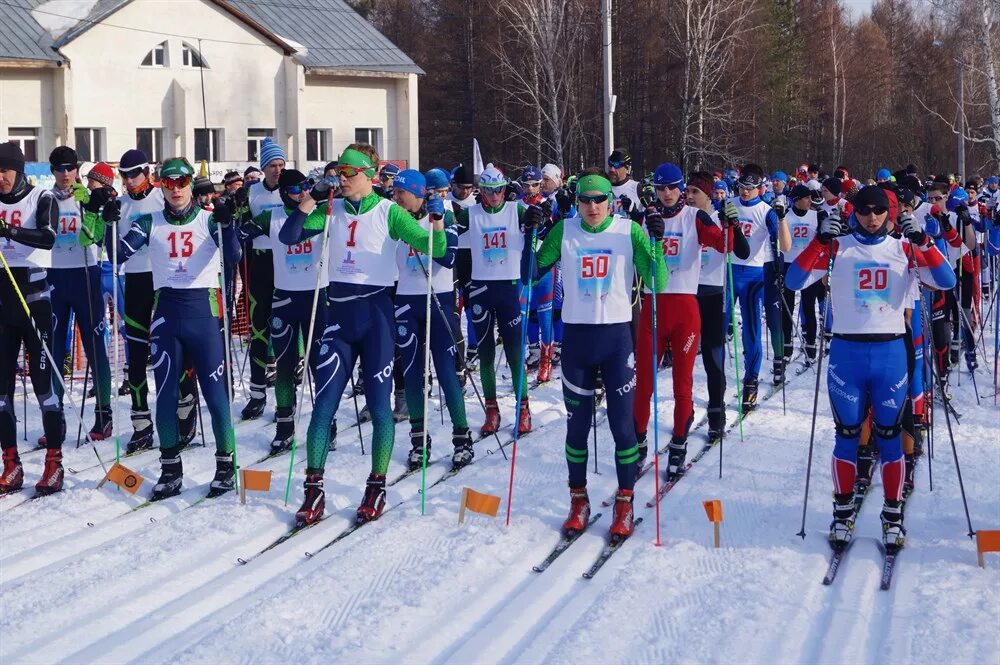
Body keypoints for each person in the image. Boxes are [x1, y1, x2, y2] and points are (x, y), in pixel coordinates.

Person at [279, 145, 446, 527]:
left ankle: (376, 485)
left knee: (380, 405)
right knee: (323, 406)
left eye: (349, 171)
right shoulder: (330, 210)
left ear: (369, 175)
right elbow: (289, 237)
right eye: (339, 170)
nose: (342, 177)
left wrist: (437, 222)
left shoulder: (389, 213)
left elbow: (434, 249)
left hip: (377, 319)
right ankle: (313, 488)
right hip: (338, 317)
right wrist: (308, 200)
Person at [786, 185, 955, 552]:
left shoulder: (904, 248)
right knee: (847, 434)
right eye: (865, 210)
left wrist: (924, 241)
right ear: (854, 212)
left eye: (880, 210)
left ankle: (892, 515)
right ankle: (842, 512)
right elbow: (793, 281)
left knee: (890, 436)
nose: (872, 217)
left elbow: (947, 281)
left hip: (890, 353)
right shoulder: (837, 246)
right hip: (847, 353)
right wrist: (818, 241)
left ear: (889, 213)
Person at [83, 157, 241, 499]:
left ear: (190, 183)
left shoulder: (209, 219)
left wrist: (228, 226)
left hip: (202, 315)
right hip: (167, 315)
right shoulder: (147, 221)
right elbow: (116, 254)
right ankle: (170, 467)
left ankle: (226, 464)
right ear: (161, 185)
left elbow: (234, 254)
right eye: (168, 184)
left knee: (215, 397)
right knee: (166, 396)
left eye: (182, 182)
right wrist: (104, 218)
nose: (176, 190)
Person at [531, 169, 666, 539]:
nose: (593, 207)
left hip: (617, 340)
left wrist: (657, 241)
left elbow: (659, 281)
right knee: (576, 429)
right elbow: (530, 274)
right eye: (586, 200)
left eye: (599, 199)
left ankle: (624, 502)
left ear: (612, 201)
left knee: (623, 428)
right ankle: (579, 500)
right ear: (577, 202)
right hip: (577, 341)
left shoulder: (628, 231)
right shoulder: (565, 231)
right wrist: (533, 232)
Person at [632, 165, 745, 480]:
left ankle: (679, 445)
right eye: (661, 188)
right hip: (654, 307)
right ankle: (638, 442)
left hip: (685, 308)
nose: (666, 193)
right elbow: (628, 255)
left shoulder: (695, 217)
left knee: (682, 384)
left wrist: (729, 224)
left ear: (681, 188)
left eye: (672, 187)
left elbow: (725, 245)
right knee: (644, 383)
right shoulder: (646, 218)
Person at [111, 149, 200, 453]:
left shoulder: (163, 197)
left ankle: (186, 406)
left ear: (147, 172)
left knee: (173, 351)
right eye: (123, 175)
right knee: (135, 354)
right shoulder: (120, 205)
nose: (129, 180)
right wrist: (101, 218)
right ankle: (141, 423)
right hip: (134, 283)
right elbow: (109, 250)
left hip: (165, 281)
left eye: (134, 173)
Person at [239, 169, 331, 455]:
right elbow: (242, 234)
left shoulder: (321, 211)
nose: (302, 192)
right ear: (283, 193)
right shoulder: (273, 216)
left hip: (317, 296)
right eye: (295, 189)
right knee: (284, 367)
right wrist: (233, 213)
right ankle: (284, 425)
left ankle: (327, 423)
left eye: (305, 186)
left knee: (319, 365)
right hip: (284, 298)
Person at [389, 169, 472, 470]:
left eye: (401, 193)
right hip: (406, 301)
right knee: (411, 373)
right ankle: (418, 440)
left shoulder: (442, 216)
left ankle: (462, 437)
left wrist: (437, 224)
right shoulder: (393, 219)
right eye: (394, 192)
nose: (396, 197)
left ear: (417, 193)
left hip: (437, 299)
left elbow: (447, 258)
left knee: (447, 374)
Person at [0, 141, 64, 495]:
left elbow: (48, 238)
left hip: (34, 301)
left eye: (5, 171)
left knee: (43, 389)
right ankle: (11, 463)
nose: (1, 178)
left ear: (19, 170)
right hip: (2, 302)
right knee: (1, 393)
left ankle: (54, 462)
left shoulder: (41, 197)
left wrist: (8, 232)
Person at [452, 164, 535, 436]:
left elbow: (538, 221)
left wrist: (540, 218)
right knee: (486, 353)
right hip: (480, 288)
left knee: (513, 353)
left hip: (509, 288)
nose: (495, 195)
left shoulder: (515, 210)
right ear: (481, 192)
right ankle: (492, 409)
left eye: (499, 190)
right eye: (488, 191)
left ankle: (523, 408)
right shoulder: (471, 213)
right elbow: (447, 226)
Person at [46, 146, 114, 441]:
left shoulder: (88, 198)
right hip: (54, 278)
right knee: (54, 348)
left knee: (94, 344)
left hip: (86, 274)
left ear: (77, 170)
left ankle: (104, 413)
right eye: (59, 169)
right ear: (53, 171)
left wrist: (99, 210)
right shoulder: (44, 199)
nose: (65, 174)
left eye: (70, 168)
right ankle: (55, 416)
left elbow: (98, 235)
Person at [689, 171, 750, 442]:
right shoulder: (682, 218)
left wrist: (733, 225)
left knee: (713, 358)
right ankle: (684, 411)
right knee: (685, 359)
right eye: (687, 192)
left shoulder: (717, 218)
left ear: (708, 195)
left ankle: (716, 412)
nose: (689, 197)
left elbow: (743, 252)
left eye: (695, 193)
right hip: (686, 293)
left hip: (713, 293)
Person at [726, 164, 790, 410]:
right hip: (730, 270)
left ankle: (751, 381)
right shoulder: (729, 204)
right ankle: (718, 382)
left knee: (751, 330)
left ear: (760, 188)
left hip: (755, 275)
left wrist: (782, 218)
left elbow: (784, 246)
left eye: (750, 188)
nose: (745, 192)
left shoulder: (766, 211)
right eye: (742, 187)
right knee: (719, 328)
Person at [240, 138, 285, 420]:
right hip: (259, 262)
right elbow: (240, 225)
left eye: (281, 164)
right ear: (263, 167)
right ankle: (257, 394)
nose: (277, 170)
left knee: (283, 329)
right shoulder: (251, 191)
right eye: (272, 165)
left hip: (285, 263)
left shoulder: (291, 188)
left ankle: (285, 394)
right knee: (258, 328)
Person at [780, 184, 827, 362]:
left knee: (808, 307)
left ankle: (810, 344)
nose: (810, 201)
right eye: (806, 198)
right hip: (789, 264)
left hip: (809, 267)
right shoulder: (786, 217)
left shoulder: (816, 215)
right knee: (787, 308)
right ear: (797, 200)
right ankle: (786, 345)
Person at [607, 149, 641, 214]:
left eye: (616, 165)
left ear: (627, 167)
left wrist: (635, 213)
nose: (612, 169)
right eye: (610, 164)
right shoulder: (602, 187)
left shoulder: (637, 188)